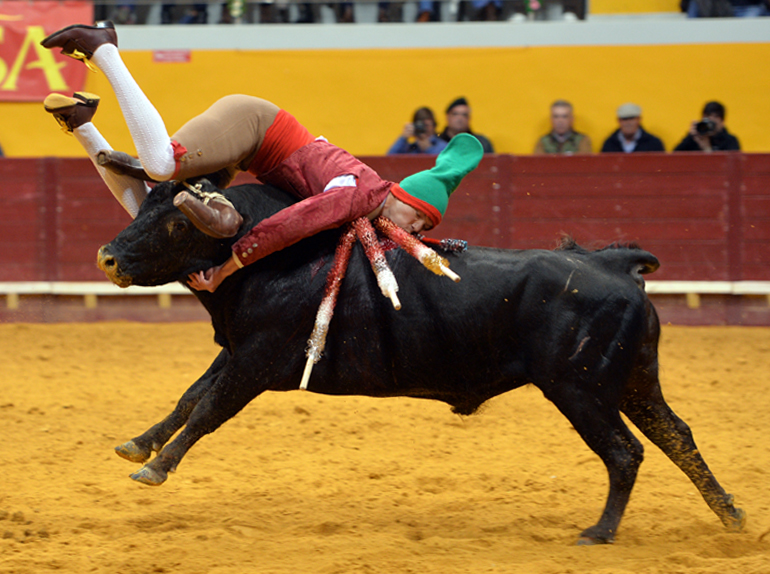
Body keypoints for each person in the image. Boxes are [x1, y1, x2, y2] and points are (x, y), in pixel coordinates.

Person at [40, 21, 483, 293]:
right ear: (405, 197)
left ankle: (82, 123)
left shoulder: (363, 199)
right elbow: (287, 226)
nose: (418, 230)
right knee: (160, 164)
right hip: (254, 126)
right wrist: (227, 269)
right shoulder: (362, 196)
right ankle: (104, 49)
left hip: (251, 152)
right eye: (421, 219)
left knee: (150, 205)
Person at [673, 101, 741, 152]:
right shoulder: (695, 138)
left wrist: (707, 148)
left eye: (716, 116)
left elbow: (730, 167)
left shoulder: (730, 141)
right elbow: (674, 157)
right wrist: (690, 137)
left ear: (722, 122)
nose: (711, 121)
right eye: (707, 116)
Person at [600, 103, 665, 153]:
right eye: (624, 119)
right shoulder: (610, 144)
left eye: (631, 118)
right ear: (619, 121)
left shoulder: (653, 143)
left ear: (639, 119)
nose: (628, 123)